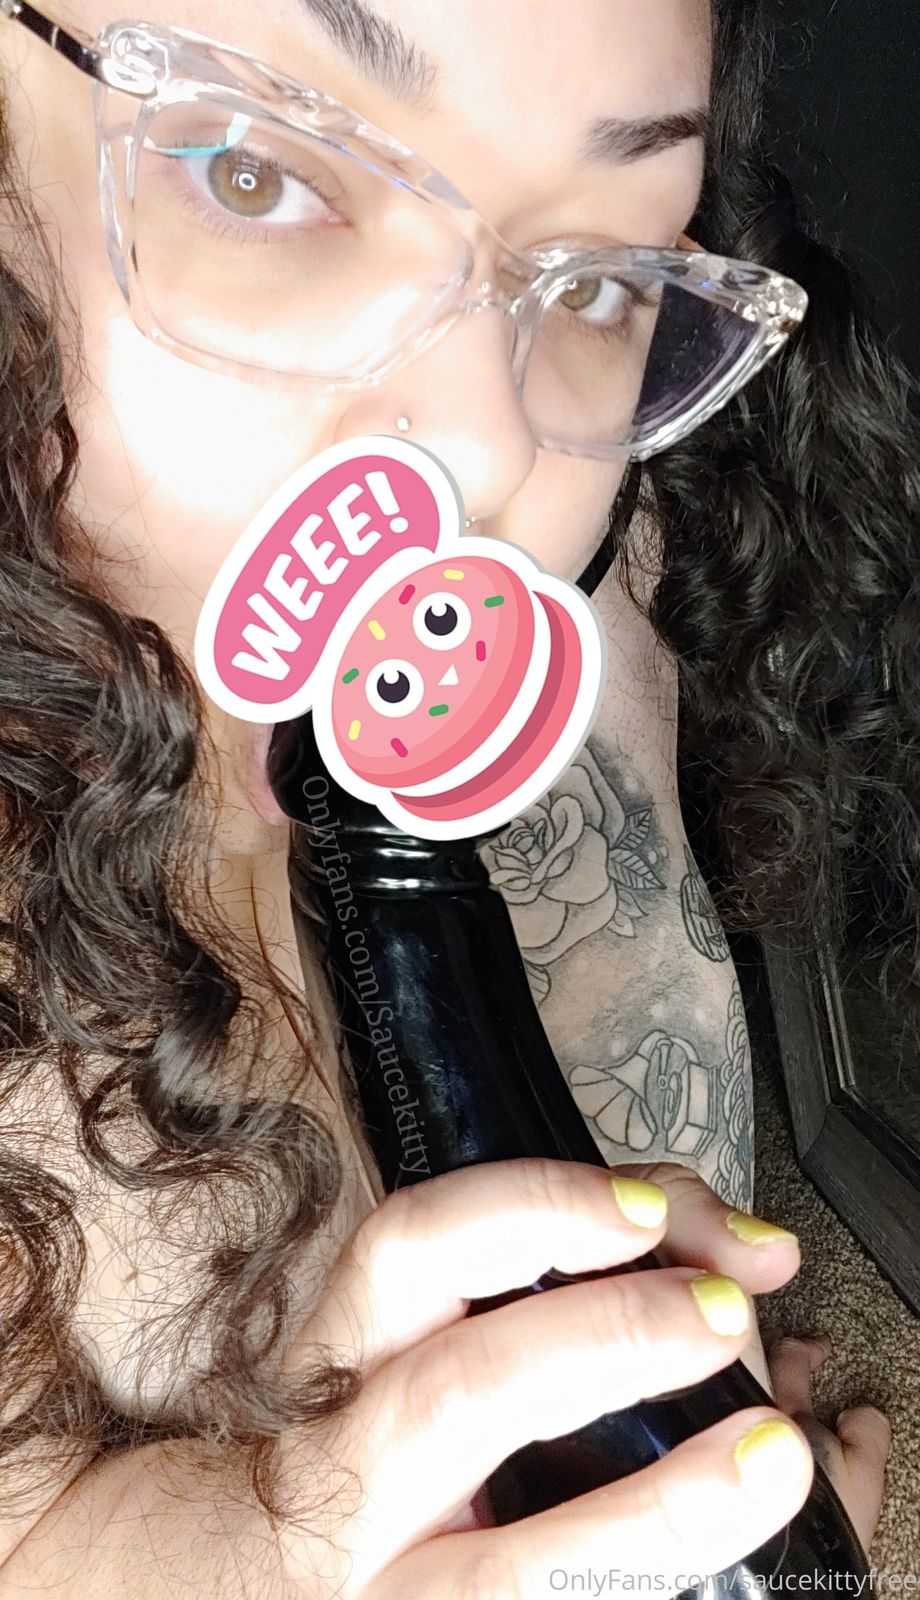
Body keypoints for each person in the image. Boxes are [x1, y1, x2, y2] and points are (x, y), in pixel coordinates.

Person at [0, 0, 912, 1591]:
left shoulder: (580, 594)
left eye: (603, 274)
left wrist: (644, 1480)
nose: (491, 451)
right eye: (254, 170)